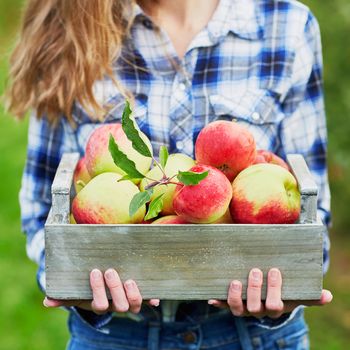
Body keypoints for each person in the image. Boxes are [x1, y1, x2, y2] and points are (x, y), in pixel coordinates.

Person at [6, 0, 333, 349]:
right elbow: (42, 208)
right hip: (116, 336)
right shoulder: (72, 24)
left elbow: (313, 214)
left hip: (253, 337)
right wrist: (75, 286)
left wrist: (285, 292)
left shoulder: (286, 25)